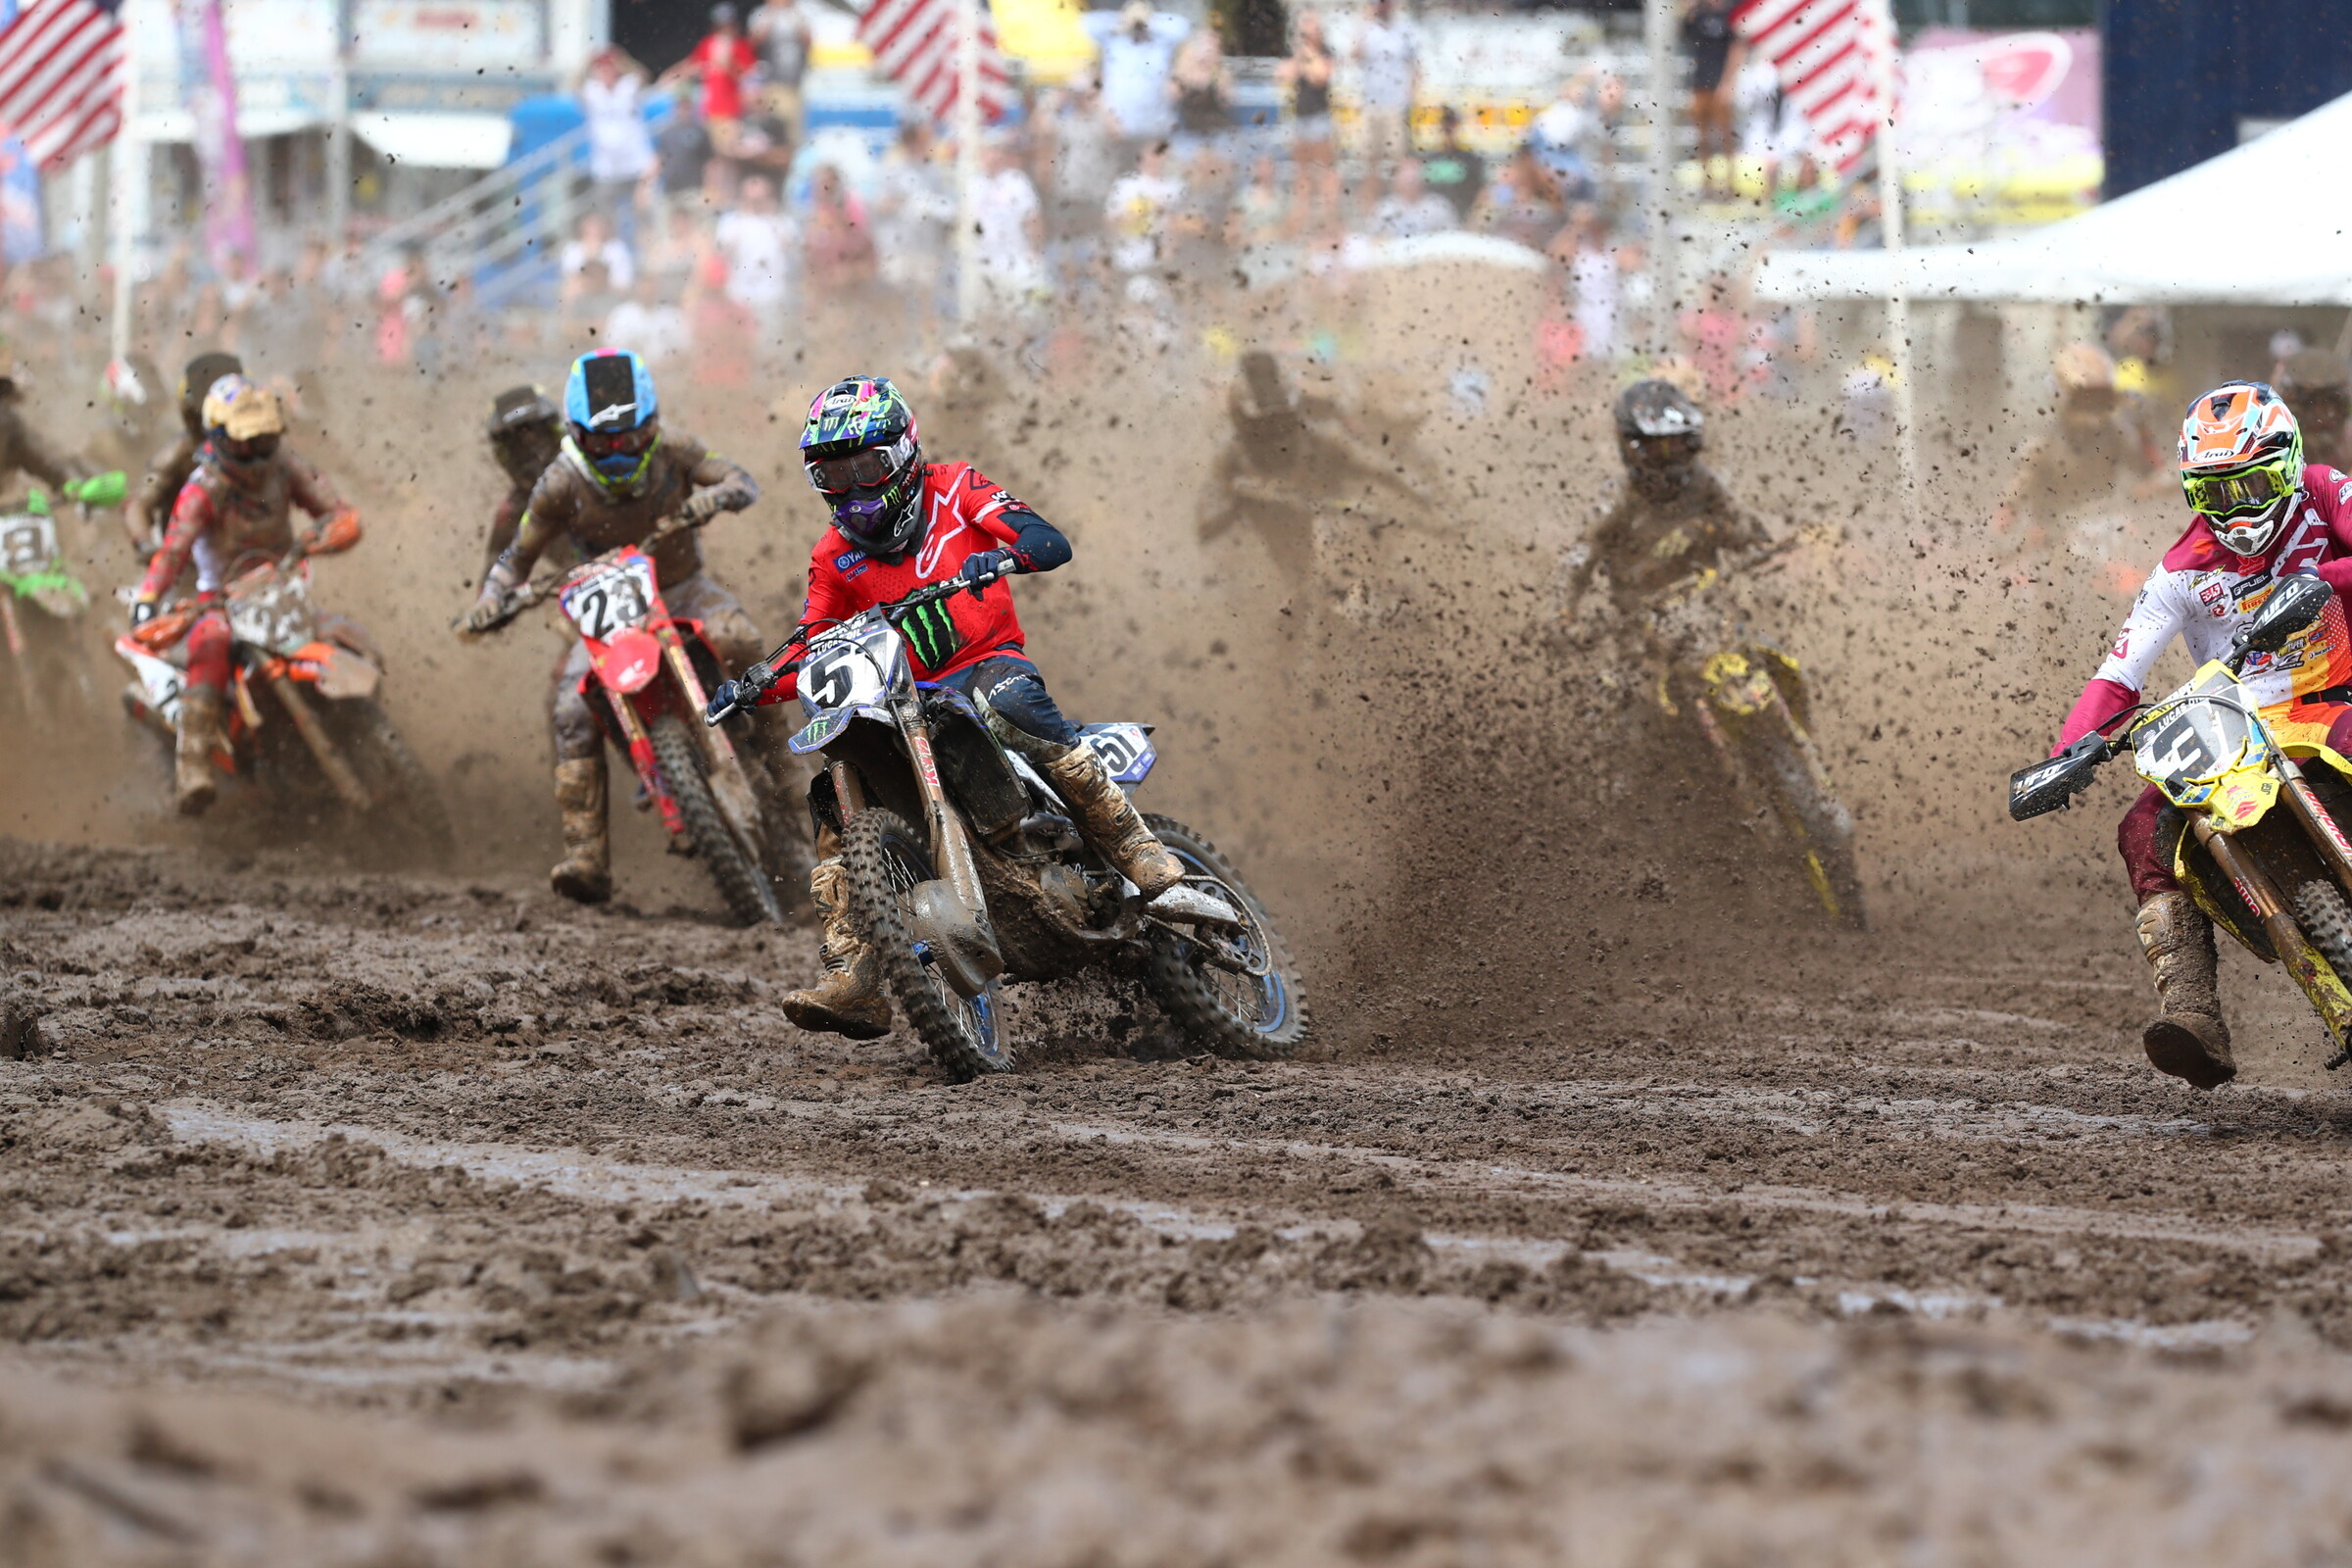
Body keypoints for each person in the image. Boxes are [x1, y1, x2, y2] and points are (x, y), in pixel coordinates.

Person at [712, 376, 1185, 1038]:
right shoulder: (834, 555)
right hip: (906, 696)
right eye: (834, 474)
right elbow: (814, 639)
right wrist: (753, 685)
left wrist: (1006, 555)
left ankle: (1134, 844)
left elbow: (1045, 539)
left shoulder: (956, 490)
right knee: (832, 790)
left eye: (867, 467)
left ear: (903, 454)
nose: (854, 488)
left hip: (987, 664)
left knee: (1008, 701)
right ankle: (854, 971)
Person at [2045, 382, 2352, 1091]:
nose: (2238, 508)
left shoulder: (2323, 491)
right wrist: (2068, 754)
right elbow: (2117, 678)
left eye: (2252, 484)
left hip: (2335, 693)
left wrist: (2321, 578)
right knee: (2144, 829)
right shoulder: (2181, 571)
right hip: (2244, 724)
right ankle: (2194, 1013)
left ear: (2285, 466)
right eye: (2215, 492)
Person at [461, 350, 764, 904]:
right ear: (578, 434)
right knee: (571, 708)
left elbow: (737, 476)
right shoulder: (556, 485)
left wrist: (721, 494)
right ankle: (586, 854)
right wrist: (491, 600)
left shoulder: (675, 447)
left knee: (740, 639)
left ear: (650, 422)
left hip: (681, 586)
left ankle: (780, 773)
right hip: (604, 610)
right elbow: (511, 560)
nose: (618, 450)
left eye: (629, 436)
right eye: (603, 442)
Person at [129, 377, 360, 815]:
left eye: (264, 439)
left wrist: (330, 531)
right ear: (217, 438)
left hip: (280, 585)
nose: (256, 452)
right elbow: (174, 549)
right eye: (245, 443)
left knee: (336, 632)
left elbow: (332, 505)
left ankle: (362, 722)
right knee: (209, 647)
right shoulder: (203, 488)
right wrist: (148, 595)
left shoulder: (285, 464)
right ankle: (192, 769)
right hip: (221, 599)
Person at [1557, 379, 1769, 642]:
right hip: (1640, 630)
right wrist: (1566, 618)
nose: (1669, 455)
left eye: (1676, 443)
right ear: (1632, 445)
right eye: (1658, 446)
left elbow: (1754, 534)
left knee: (1765, 656)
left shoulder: (1703, 483)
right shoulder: (1620, 498)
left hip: (1708, 612)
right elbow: (1580, 559)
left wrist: (1705, 528)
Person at [1990, 343, 2162, 570]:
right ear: (2063, 397)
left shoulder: (2116, 431)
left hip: (2104, 522)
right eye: (2085, 399)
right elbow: (2022, 481)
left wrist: (2144, 438)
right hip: (2051, 529)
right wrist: (2009, 511)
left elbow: (2149, 471)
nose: (2092, 409)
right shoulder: (2045, 438)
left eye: (2098, 399)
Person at [124, 351, 240, 557]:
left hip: (255, 566)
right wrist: (145, 543)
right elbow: (139, 504)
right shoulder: (178, 454)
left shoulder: (264, 447)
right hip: (187, 572)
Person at [479, 385, 564, 575]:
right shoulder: (513, 515)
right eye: (517, 450)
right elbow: (490, 589)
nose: (532, 459)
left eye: (537, 444)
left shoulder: (593, 471)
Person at [1082, 2, 1189, 148]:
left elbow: (1182, 27)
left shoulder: (1160, 42)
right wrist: (1123, 19)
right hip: (1118, 127)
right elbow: (1086, 23)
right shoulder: (1115, 40)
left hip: (1155, 127)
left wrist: (1148, 21)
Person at [1277, 9, 1339, 236]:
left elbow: (1319, 77)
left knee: (1325, 171)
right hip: (1300, 117)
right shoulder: (1296, 52)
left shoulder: (1326, 50)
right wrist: (1300, 57)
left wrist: (1306, 57)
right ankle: (1301, 219)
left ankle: (1328, 218)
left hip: (1320, 117)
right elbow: (1283, 75)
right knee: (1301, 173)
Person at [580, 46, 657, 220]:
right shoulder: (593, 90)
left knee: (644, 215)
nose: (606, 71)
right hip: (607, 167)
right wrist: (585, 63)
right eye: (601, 68)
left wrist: (624, 60)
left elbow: (644, 76)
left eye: (609, 67)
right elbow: (573, 86)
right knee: (606, 217)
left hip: (636, 163)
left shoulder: (627, 86)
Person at [713, 173, 796, 329]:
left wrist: (772, 215)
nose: (756, 203)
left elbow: (791, 245)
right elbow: (721, 249)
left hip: (773, 293)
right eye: (751, 198)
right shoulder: (731, 222)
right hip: (739, 294)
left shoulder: (782, 221)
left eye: (760, 198)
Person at [1351, 0, 1420, 185]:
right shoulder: (1368, 30)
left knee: (1398, 160)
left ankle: (1397, 205)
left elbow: (1415, 66)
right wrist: (1362, 23)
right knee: (1369, 163)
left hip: (1396, 107)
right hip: (1371, 105)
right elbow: (1355, 55)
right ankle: (1370, 209)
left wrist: (1411, 98)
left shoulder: (1404, 29)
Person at [1682, 0, 1743, 200]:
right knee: (1702, 137)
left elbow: (1738, 46)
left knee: (1725, 136)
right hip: (1700, 82)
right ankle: (1707, 183)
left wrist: (1729, 81)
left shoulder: (1731, 13)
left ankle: (1731, 183)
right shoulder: (1698, 14)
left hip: (1721, 82)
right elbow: (1685, 34)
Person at [748, 0, 813, 143]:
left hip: (796, 81)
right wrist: (772, 14)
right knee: (776, 123)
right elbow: (755, 41)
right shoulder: (761, 14)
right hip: (773, 81)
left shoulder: (799, 13)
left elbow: (809, 41)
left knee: (794, 127)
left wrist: (795, 19)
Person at [2278, 348, 2351, 471]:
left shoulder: (2347, 442)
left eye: (2328, 403)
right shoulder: (2281, 444)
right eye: (2311, 404)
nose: (2321, 415)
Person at [604, 270, 693, 368]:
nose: (648, 291)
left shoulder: (672, 316)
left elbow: (684, 350)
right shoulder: (621, 315)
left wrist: (666, 365)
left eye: (651, 287)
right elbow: (612, 348)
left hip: (667, 373)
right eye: (644, 287)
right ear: (637, 288)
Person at [1420, 106, 1486, 224]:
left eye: (1451, 126)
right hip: (1432, 218)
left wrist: (1473, 219)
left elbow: (1481, 190)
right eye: (1444, 127)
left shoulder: (1470, 159)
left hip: (1464, 216)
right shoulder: (1429, 159)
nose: (1448, 131)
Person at [1368, 157, 1455, 238]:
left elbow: (1452, 236)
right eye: (1405, 176)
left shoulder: (1438, 205)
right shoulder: (1385, 208)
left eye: (1414, 174)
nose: (1411, 180)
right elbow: (1375, 239)